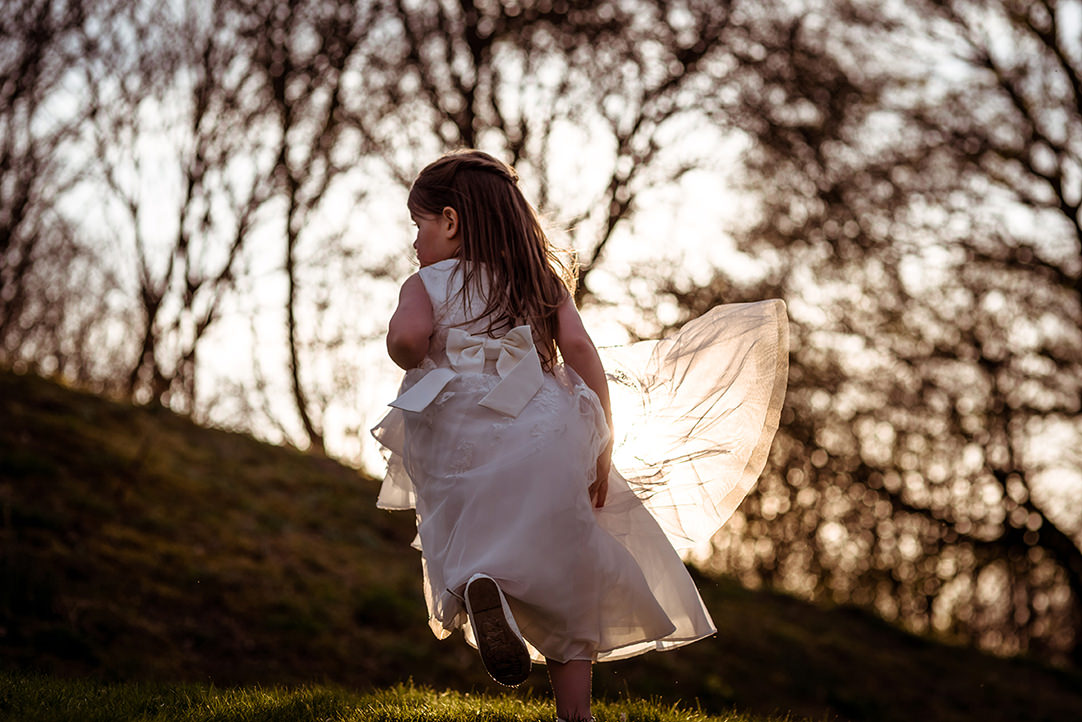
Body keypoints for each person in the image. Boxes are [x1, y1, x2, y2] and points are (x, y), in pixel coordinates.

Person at [372, 149, 788, 722]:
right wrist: (604, 435)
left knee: (466, 528)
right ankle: (576, 713)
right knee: (572, 568)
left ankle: (478, 585)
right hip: (545, 426)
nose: (414, 242)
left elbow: (410, 342)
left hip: (461, 426)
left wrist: (400, 337)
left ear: (449, 221)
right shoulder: (539, 281)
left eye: (417, 225)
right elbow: (583, 352)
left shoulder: (427, 281)